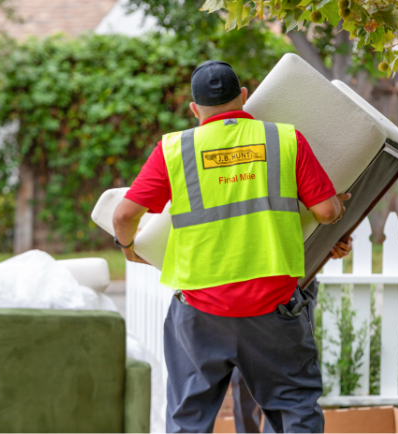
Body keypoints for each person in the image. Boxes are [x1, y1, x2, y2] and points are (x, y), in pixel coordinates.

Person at [112, 60, 351, 434]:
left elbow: (124, 215)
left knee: (189, 419)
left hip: (201, 309)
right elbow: (324, 211)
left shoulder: (175, 149)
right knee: (295, 410)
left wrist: (127, 247)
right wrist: (337, 205)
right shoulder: (285, 138)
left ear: (194, 109)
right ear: (244, 97)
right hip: (273, 307)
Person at [231, 231, 352, 434]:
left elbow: (328, 210)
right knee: (242, 378)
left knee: (290, 380)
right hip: (243, 278)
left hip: (296, 279)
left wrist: (335, 237)